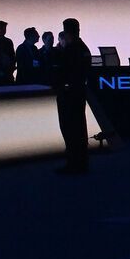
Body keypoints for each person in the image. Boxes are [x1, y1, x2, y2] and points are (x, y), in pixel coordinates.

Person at [53, 17, 93, 174]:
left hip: (68, 94)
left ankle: (74, 163)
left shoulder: (69, 50)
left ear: (66, 32)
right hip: (79, 91)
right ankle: (81, 162)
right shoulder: (84, 48)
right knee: (80, 128)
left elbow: (61, 72)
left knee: (70, 129)